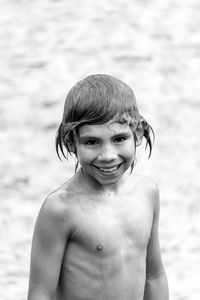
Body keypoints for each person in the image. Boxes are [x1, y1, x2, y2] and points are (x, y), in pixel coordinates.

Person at [28, 74, 169, 300]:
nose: (107, 156)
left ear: (139, 133)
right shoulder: (61, 209)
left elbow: (154, 276)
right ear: (70, 143)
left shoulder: (146, 193)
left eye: (119, 138)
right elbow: (41, 293)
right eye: (91, 142)